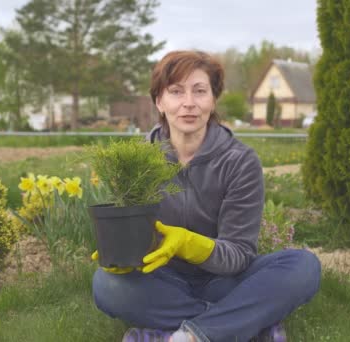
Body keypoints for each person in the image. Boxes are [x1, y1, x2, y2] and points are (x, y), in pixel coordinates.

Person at [91, 50, 321, 342]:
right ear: (159, 102)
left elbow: (238, 255)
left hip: (224, 280)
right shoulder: (139, 161)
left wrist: (187, 243)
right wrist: (122, 252)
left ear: (213, 100)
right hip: (162, 279)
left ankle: (188, 335)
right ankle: (241, 323)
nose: (189, 103)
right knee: (106, 284)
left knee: (303, 267)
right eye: (176, 92)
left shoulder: (240, 162)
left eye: (200, 91)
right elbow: (132, 233)